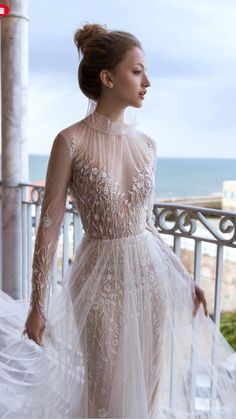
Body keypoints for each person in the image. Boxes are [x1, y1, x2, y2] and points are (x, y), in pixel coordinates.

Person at [0, 23, 235, 419]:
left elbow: (148, 225)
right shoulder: (69, 141)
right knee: (106, 389)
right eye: (138, 71)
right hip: (100, 281)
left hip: (151, 281)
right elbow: (49, 229)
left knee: (147, 386)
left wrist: (184, 277)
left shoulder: (148, 146)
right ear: (108, 78)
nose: (148, 82)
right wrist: (37, 306)